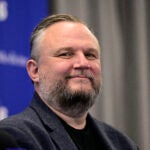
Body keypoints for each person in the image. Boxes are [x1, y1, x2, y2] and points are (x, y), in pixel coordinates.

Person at [0, 14, 138, 150]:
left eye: (90, 55)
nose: (83, 63)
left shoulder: (123, 144)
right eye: (65, 54)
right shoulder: (13, 137)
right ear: (35, 71)